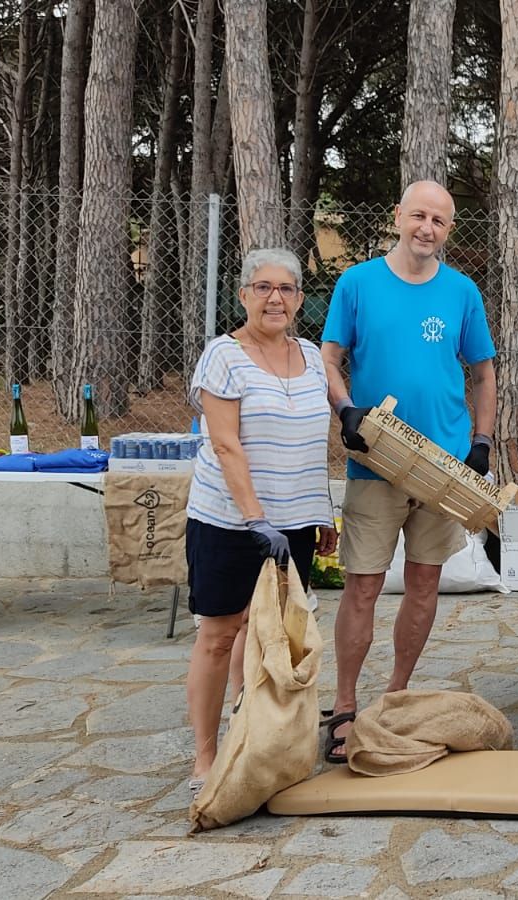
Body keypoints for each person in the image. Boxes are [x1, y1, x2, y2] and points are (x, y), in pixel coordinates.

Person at [321, 180, 498, 764]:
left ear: (449, 230)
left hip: (442, 468)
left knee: (424, 583)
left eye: (440, 221)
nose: (427, 228)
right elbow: (329, 355)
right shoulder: (358, 284)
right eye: (419, 216)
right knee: (364, 585)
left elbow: (483, 371)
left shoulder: (461, 291)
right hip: (377, 459)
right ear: (398, 216)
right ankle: (345, 705)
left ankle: (394, 699)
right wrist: (345, 408)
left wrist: (481, 441)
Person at [184, 248, 336, 799]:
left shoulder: (314, 357)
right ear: (244, 294)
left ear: (299, 299)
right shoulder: (224, 356)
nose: (276, 298)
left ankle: (252, 728)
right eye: (264, 287)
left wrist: (320, 515)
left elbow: (316, 444)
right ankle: (205, 755)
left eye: (288, 289)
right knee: (221, 634)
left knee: (270, 632)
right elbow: (225, 444)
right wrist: (254, 518)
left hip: (294, 523)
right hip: (230, 521)